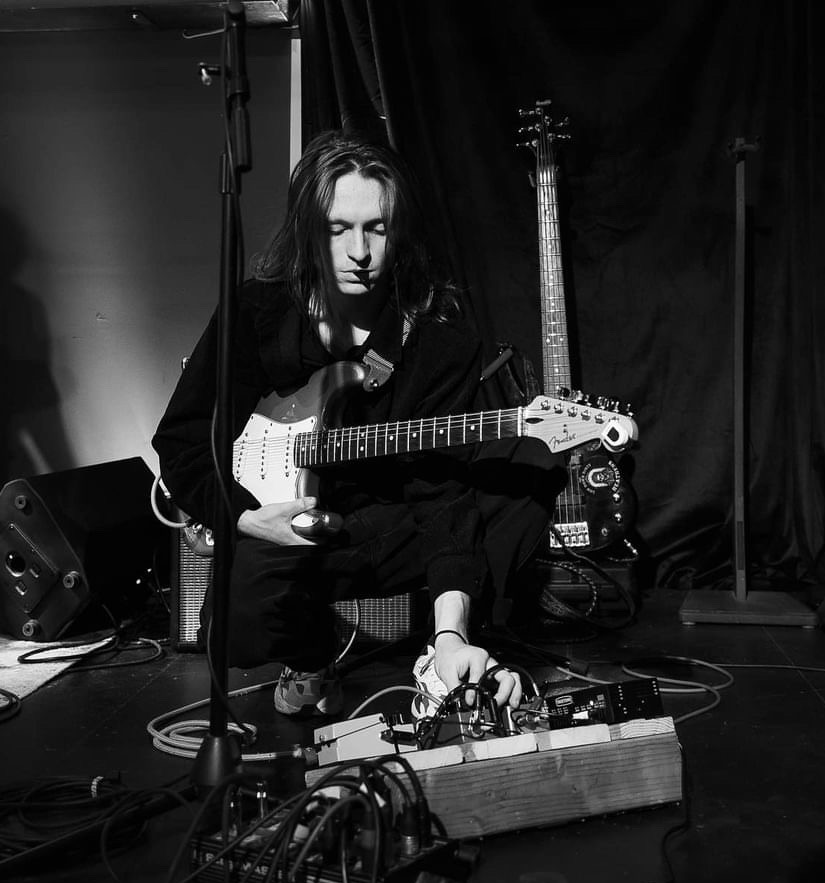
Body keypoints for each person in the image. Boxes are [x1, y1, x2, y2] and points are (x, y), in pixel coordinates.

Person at [153, 130, 554, 716]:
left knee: (524, 479)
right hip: (286, 523)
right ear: (307, 230)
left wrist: (450, 633)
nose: (359, 252)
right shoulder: (256, 314)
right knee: (232, 629)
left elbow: (441, 495)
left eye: (377, 228)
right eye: (338, 229)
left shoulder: (438, 338)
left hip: (390, 523)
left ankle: (452, 657)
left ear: (399, 232)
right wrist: (244, 517)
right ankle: (313, 657)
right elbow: (183, 439)